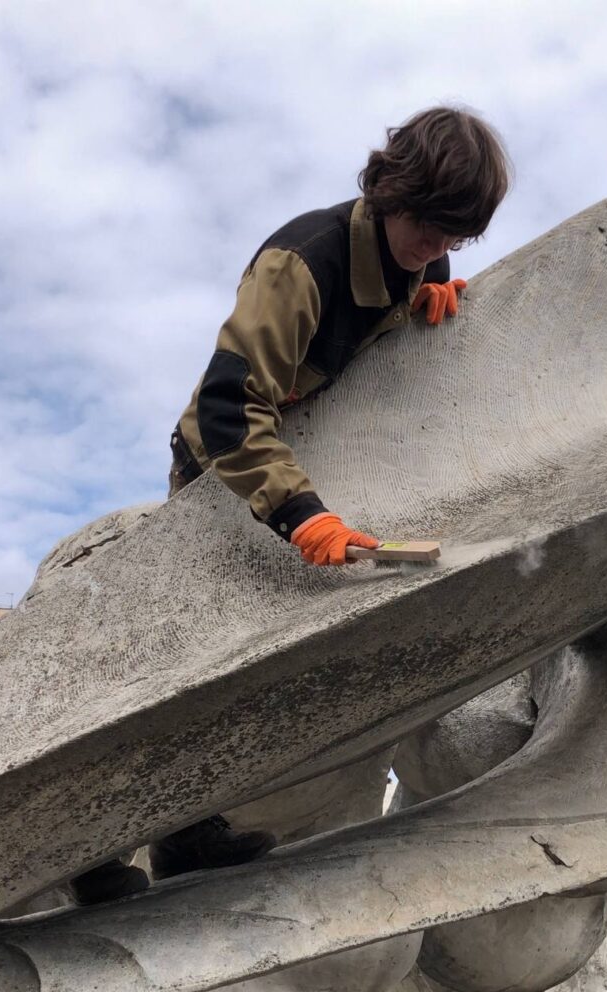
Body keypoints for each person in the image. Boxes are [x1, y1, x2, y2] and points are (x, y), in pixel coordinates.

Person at [71, 106, 511, 905]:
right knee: (182, 665)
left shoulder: (423, 256)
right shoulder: (300, 264)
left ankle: (184, 834)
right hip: (220, 470)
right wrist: (300, 513)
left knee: (243, 669)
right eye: (429, 225)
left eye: (455, 234)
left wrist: (427, 297)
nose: (436, 245)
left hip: (294, 450)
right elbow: (227, 409)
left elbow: (395, 295)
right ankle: (90, 854)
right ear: (391, 190)